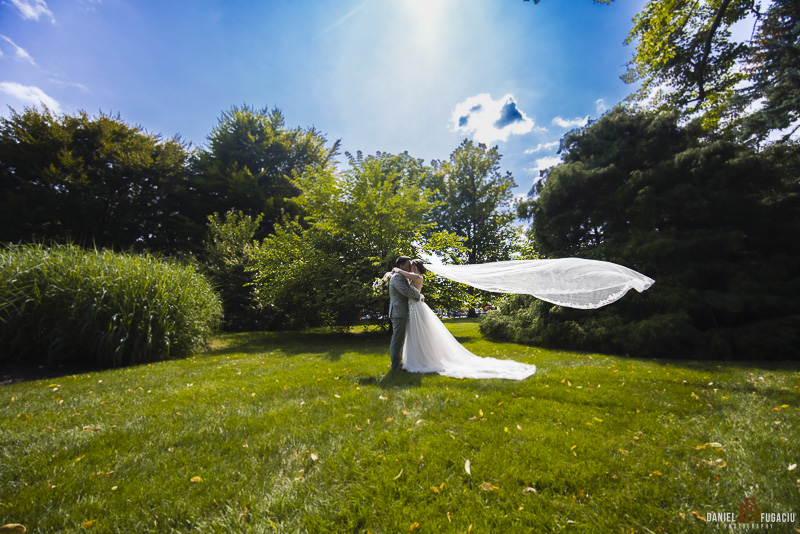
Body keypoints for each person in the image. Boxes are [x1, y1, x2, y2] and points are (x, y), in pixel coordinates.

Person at [392, 259, 536, 380]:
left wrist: (396, 270)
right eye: (408, 266)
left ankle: (422, 360)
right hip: (413, 308)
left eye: (412, 266)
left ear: (415, 267)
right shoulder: (411, 277)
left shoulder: (417, 277)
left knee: (419, 333)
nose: (410, 267)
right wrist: (394, 273)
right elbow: (404, 281)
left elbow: (404, 277)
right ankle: (417, 358)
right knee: (416, 334)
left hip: (416, 307)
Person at [388, 256, 422, 371]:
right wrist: (419, 296)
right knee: (397, 339)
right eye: (408, 265)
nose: (410, 267)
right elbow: (406, 291)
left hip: (402, 312)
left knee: (401, 339)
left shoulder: (402, 276)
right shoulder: (397, 277)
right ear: (401, 266)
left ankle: (399, 363)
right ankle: (395, 366)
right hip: (398, 312)